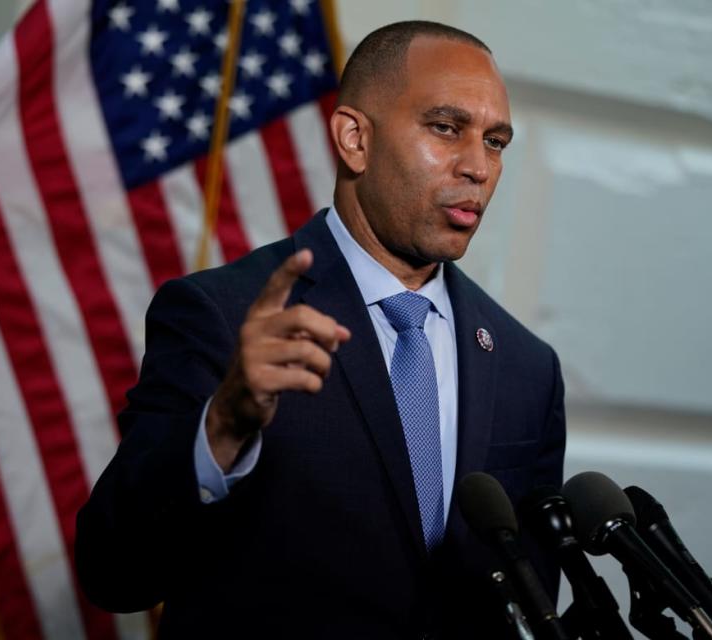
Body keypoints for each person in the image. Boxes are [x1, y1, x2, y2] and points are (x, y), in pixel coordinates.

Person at [76, 20, 565, 639]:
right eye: (446, 128)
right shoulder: (221, 316)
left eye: (496, 141)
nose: (478, 166)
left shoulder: (527, 367)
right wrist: (223, 427)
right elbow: (114, 571)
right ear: (354, 138)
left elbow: (527, 605)